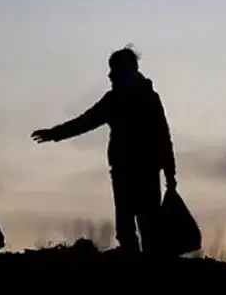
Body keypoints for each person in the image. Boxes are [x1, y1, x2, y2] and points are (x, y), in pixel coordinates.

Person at [31, 46, 177, 257]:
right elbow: (164, 138)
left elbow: (85, 122)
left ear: (124, 69)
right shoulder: (140, 98)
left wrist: (54, 134)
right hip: (137, 171)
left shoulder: (124, 99)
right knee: (140, 227)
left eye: (113, 69)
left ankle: (142, 276)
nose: (110, 75)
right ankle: (145, 275)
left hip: (133, 172)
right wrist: (170, 173)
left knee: (135, 227)